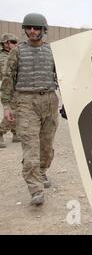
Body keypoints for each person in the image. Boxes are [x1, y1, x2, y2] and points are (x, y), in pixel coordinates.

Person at [1, 13, 59, 206]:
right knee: (30, 147)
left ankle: (42, 172)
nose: (32, 31)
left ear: (44, 30)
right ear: (25, 29)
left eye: (36, 28)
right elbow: (8, 78)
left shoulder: (52, 51)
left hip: (49, 100)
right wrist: (7, 105)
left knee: (46, 145)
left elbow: (62, 77)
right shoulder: (17, 51)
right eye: (29, 28)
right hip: (25, 102)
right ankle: (35, 189)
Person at [0, 34, 20, 147]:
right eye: (13, 42)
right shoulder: (2, 57)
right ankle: (0, 131)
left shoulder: (16, 54)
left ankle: (15, 133)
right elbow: (5, 74)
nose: (15, 44)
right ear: (6, 43)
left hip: (18, 87)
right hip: (7, 87)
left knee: (19, 110)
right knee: (12, 111)